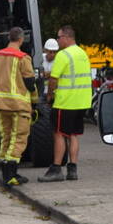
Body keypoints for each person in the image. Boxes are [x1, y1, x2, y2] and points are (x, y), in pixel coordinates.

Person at [39, 25, 92, 182]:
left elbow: (54, 79)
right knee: (74, 135)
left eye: (59, 37)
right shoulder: (83, 54)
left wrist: (49, 97)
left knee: (59, 134)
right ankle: (72, 169)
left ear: (67, 37)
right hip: (81, 102)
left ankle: (56, 169)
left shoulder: (63, 55)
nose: (57, 40)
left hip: (65, 102)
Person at [0, 27, 35, 186]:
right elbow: (30, 82)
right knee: (19, 139)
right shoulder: (23, 57)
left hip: (1, 104)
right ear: (21, 40)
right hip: (19, 105)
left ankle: (7, 174)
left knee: (6, 138)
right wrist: (35, 99)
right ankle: (10, 175)